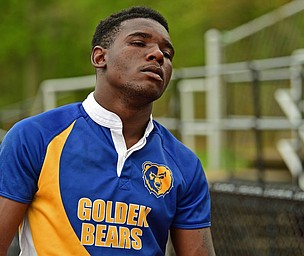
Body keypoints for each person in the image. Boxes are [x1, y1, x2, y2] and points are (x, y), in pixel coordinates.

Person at [0, 6, 216, 256]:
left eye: (167, 54)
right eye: (138, 43)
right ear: (100, 57)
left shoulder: (185, 164)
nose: (158, 55)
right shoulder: (35, 136)